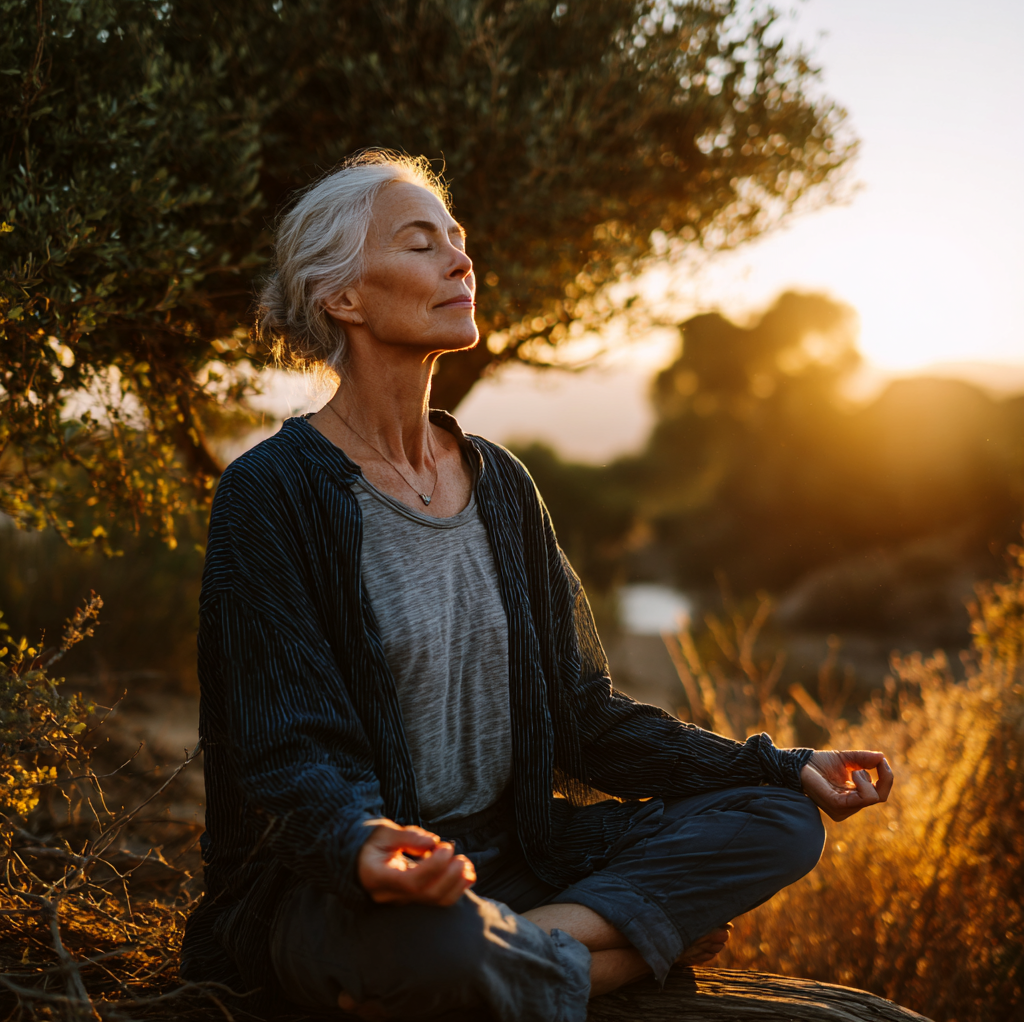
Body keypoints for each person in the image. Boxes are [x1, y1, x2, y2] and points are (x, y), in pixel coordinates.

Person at [180, 150, 893, 1022]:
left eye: (459, 239)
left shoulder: (503, 485)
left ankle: (510, 951)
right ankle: (596, 959)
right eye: (420, 244)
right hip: (345, 881)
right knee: (429, 935)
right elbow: (285, 753)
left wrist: (785, 766)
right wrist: (365, 846)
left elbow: (584, 715)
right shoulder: (272, 495)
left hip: (514, 856)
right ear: (343, 298)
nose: (459, 261)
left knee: (778, 820)